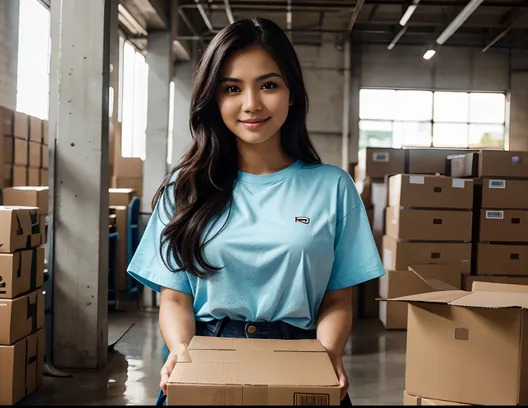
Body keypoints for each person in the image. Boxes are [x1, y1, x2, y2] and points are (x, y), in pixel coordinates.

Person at [127, 17, 385, 406]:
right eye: (232, 88)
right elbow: (175, 298)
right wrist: (181, 352)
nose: (252, 104)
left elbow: (337, 299)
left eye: (268, 85)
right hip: (206, 358)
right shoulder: (187, 187)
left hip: (300, 358)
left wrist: (327, 357)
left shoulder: (333, 187)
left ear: (292, 93)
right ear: (214, 99)